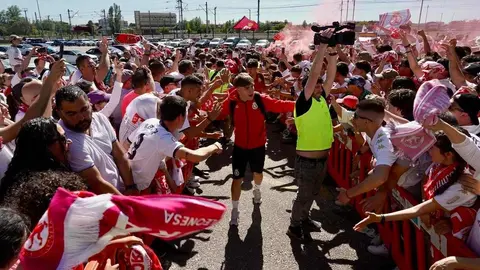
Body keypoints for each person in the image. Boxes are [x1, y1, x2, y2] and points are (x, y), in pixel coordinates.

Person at [217, 72, 295, 226]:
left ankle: (257, 189)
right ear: (238, 89)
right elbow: (217, 112)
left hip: (258, 146)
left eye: (252, 85)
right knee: (236, 179)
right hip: (239, 147)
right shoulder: (231, 102)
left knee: (257, 174)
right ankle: (235, 210)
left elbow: (280, 105)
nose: (252, 89)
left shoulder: (260, 99)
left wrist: (304, 104)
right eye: (247, 87)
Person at [285, 29, 337, 241]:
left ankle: (304, 219)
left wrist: (333, 56)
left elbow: (329, 76)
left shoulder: (320, 99)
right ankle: (294, 226)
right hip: (307, 162)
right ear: (305, 86)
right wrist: (322, 47)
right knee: (304, 196)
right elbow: (315, 74)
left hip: (322, 160)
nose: (318, 86)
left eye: (319, 85)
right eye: (314, 84)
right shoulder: (303, 102)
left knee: (312, 194)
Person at [127, 95, 222, 194]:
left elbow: (127, 143)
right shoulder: (164, 138)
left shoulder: (150, 121)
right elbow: (196, 156)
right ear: (180, 117)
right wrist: (214, 146)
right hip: (136, 187)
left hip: (127, 175)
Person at [55, 85, 137, 195]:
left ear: (89, 103)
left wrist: (130, 187)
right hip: (102, 203)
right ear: (59, 112)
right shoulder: (66, 140)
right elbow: (96, 182)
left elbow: (120, 156)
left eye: (84, 109)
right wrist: (125, 203)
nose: (81, 117)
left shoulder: (100, 119)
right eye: (71, 114)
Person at [0, 117, 71, 201]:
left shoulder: (16, 178)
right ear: (44, 146)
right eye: (62, 139)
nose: (69, 141)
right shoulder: (46, 189)